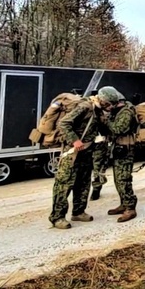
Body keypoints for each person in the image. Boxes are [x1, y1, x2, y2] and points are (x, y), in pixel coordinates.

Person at [48, 86, 120, 230]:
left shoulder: (98, 110)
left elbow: (105, 128)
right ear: (102, 99)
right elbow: (64, 123)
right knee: (64, 184)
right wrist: (74, 140)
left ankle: (78, 211)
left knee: (83, 182)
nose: (109, 107)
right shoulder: (85, 107)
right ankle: (57, 217)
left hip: (87, 152)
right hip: (72, 152)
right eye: (108, 104)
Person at [103, 96, 139, 222]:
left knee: (124, 179)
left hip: (126, 150)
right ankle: (124, 203)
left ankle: (130, 208)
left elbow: (118, 129)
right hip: (118, 149)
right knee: (118, 179)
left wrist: (105, 120)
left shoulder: (126, 113)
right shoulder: (118, 112)